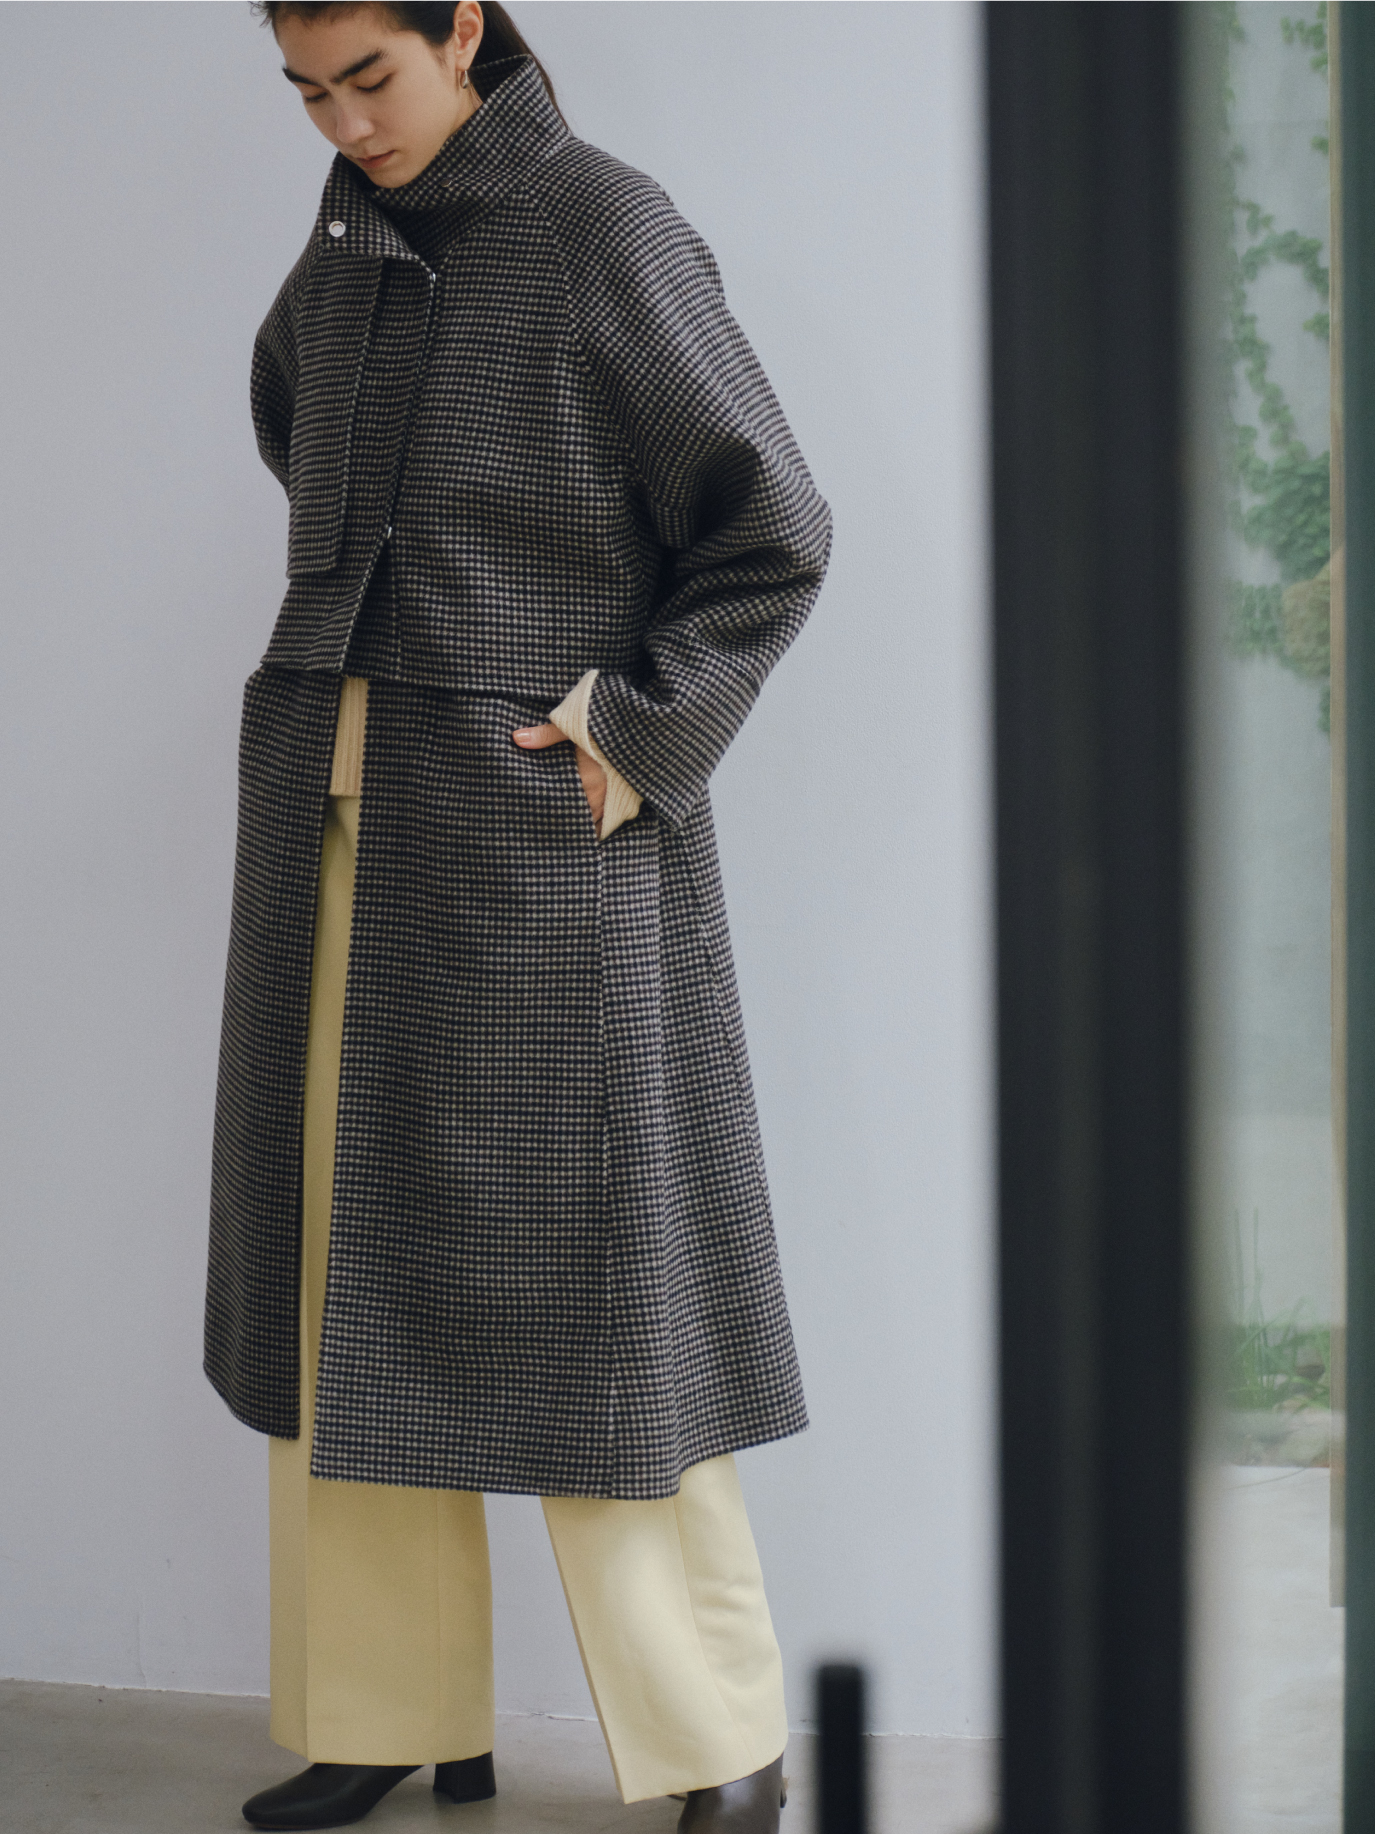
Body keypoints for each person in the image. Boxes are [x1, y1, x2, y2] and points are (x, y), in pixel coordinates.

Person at [203, 4, 832, 1828]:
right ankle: (387, 1709)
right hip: (332, 824)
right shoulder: (343, 247)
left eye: (371, 77)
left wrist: (629, 729)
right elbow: (295, 426)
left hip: (538, 840)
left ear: (462, 27)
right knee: (340, 1283)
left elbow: (772, 529)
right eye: (309, 91)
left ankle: (721, 1740)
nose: (344, 121)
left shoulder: (605, 227)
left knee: (604, 1289)